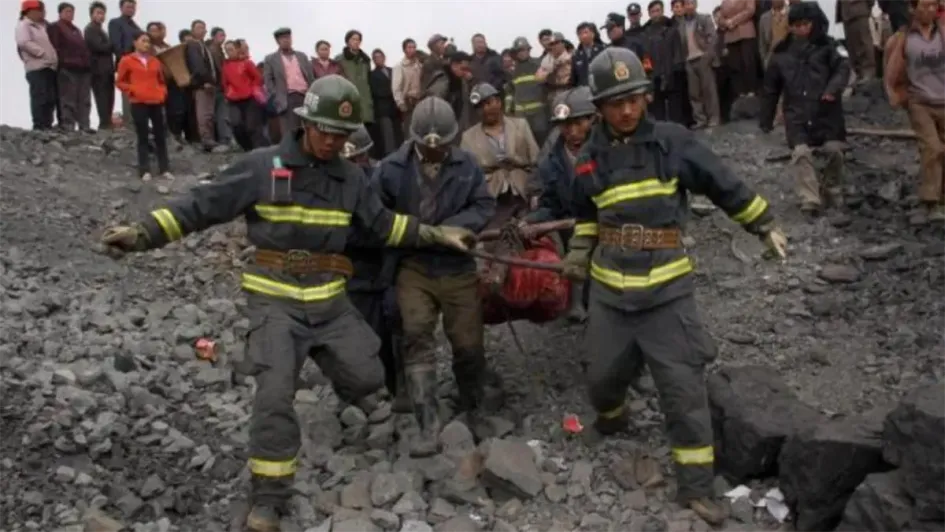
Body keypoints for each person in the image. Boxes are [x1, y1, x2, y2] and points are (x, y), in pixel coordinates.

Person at [99, 75, 476, 532]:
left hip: (329, 302)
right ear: (305, 123)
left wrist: (439, 234)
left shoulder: (353, 178)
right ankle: (269, 500)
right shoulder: (263, 165)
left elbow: (385, 227)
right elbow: (201, 205)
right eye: (325, 131)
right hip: (275, 299)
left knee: (370, 376)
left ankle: (320, 356)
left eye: (341, 134)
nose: (332, 141)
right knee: (275, 395)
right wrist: (142, 235)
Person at [563, 46, 787, 526]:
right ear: (599, 107)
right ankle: (613, 416)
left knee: (683, 389)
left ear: (644, 97)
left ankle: (696, 487)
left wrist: (762, 222)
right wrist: (580, 252)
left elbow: (721, 182)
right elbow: (586, 215)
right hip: (609, 293)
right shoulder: (588, 159)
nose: (626, 109)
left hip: (666, 292)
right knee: (601, 379)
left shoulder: (672, 142)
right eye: (615, 101)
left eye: (634, 98)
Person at [372, 96, 497, 457]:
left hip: (457, 267)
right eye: (427, 150)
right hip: (414, 265)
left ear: (451, 142)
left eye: (440, 148)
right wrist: (414, 233)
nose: (433, 155)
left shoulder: (467, 165)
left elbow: (484, 205)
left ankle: (473, 409)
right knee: (416, 336)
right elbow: (376, 214)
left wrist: (453, 229)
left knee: (468, 343)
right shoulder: (391, 169)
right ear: (413, 140)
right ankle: (427, 422)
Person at [760, 1, 850, 216]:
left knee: (835, 152)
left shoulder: (829, 47)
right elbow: (771, 88)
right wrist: (766, 119)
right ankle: (810, 198)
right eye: (796, 24)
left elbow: (843, 69)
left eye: (805, 24)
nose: (801, 29)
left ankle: (832, 188)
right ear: (790, 26)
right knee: (801, 153)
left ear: (815, 23)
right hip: (796, 113)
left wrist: (832, 89)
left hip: (827, 111)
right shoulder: (781, 54)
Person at [341, 125, 406, 408]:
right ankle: (366, 396)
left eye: (358, 159)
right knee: (364, 338)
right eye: (350, 160)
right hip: (355, 276)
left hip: (389, 269)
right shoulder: (332, 188)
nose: (356, 165)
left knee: (401, 331)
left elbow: (397, 225)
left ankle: (401, 390)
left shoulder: (385, 181)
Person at [523, 87, 596, 322]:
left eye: (578, 123)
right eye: (565, 125)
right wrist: (529, 221)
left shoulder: (611, 151)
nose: (572, 132)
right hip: (574, 229)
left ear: (593, 118)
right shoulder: (551, 162)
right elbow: (551, 205)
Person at [115, 31, 171, 181]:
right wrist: (133, 90)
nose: (146, 44)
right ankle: (144, 170)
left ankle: (164, 169)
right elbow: (120, 81)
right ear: (135, 42)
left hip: (156, 101)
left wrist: (162, 93)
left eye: (148, 42)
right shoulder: (127, 60)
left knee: (160, 135)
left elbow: (161, 81)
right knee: (143, 136)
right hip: (138, 102)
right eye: (143, 41)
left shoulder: (155, 61)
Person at [16, 0, 58, 130]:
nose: (41, 13)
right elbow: (23, 42)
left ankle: (47, 124)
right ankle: (39, 125)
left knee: (50, 98)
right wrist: (41, 53)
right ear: (30, 11)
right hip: (37, 67)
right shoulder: (24, 25)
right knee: (40, 96)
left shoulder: (41, 26)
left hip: (48, 66)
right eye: (39, 10)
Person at [222, 39, 267, 151]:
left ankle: (259, 150)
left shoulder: (247, 63)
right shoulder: (225, 66)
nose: (229, 52)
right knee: (236, 124)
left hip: (250, 99)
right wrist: (228, 92)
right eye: (227, 50)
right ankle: (247, 148)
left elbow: (258, 78)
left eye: (231, 49)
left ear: (237, 50)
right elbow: (224, 83)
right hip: (234, 100)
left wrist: (252, 88)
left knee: (252, 126)